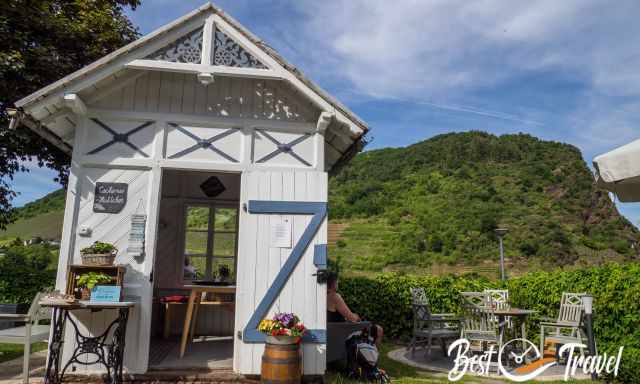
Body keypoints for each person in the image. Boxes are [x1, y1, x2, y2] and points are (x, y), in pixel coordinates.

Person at [327, 272, 383, 345]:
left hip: (335, 332)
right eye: (337, 280)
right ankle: (371, 355)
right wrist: (356, 316)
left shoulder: (324, 296)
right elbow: (352, 319)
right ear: (333, 283)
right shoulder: (334, 296)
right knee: (379, 329)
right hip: (344, 332)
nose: (338, 282)